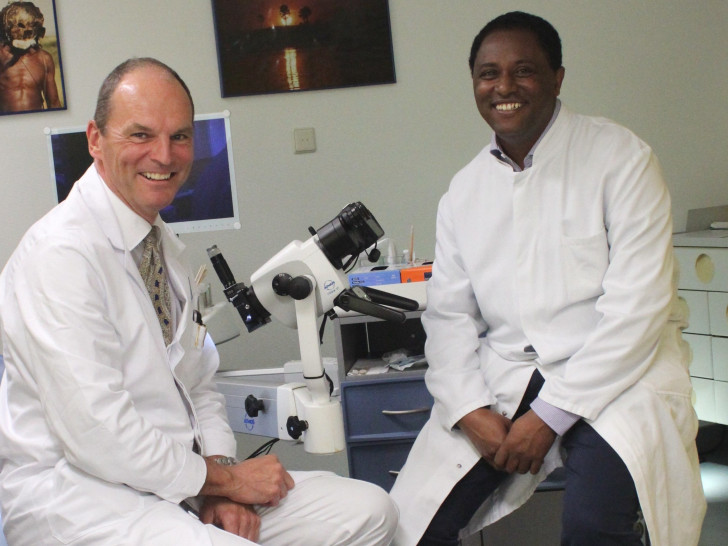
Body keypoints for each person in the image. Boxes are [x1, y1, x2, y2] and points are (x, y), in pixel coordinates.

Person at [0, 57, 397, 546]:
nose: (164, 155)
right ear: (95, 140)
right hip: (82, 499)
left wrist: (221, 482)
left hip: (181, 486)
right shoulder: (60, 255)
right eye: (140, 135)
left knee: (369, 510)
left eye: (180, 137)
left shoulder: (162, 248)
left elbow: (199, 385)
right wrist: (224, 482)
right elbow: (96, 431)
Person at [389, 11, 705, 546]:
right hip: (507, 376)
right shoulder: (464, 192)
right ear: (474, 84)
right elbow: (448, 318)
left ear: (558, 78)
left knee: (591, 529)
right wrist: (469, 409)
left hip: (618, 378)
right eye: (489, 73)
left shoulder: (621, 160)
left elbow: (638, 309)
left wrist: (548, 417)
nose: (504, 87)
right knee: (412, 525)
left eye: (524, 71)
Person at [0, 1, 62, 113]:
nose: (24, 32)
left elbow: (54, 103)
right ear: (8, 28)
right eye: (19, 26)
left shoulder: (44, 59)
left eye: (29, 28)